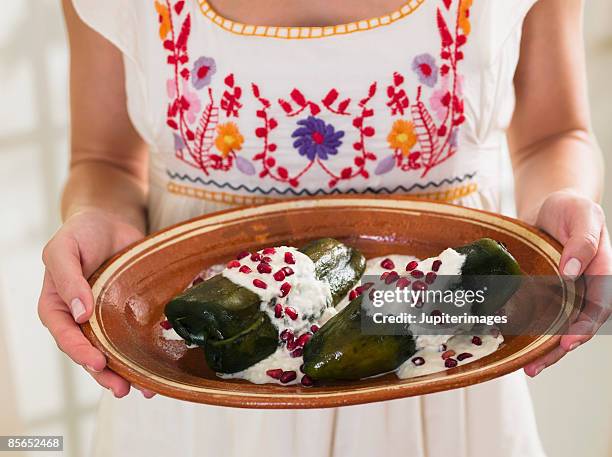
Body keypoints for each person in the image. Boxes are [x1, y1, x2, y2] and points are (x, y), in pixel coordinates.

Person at [39, 0, 611, 455]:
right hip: (196, 383)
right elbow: (104, 161)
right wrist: (100, 224)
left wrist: (564, 209)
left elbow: (553, 134)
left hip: (450, 374)